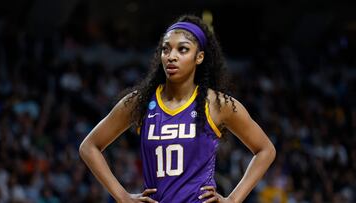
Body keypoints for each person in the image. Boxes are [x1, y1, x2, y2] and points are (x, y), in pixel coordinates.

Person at [79, 14, 276, 203]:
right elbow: (89, 147)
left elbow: (265, 149)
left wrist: (233, 199)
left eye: (182, 50)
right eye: (166, 49)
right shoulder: (140, 102)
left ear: (199, 57)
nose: (171, 56)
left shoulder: (217, 104)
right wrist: (122, 196)